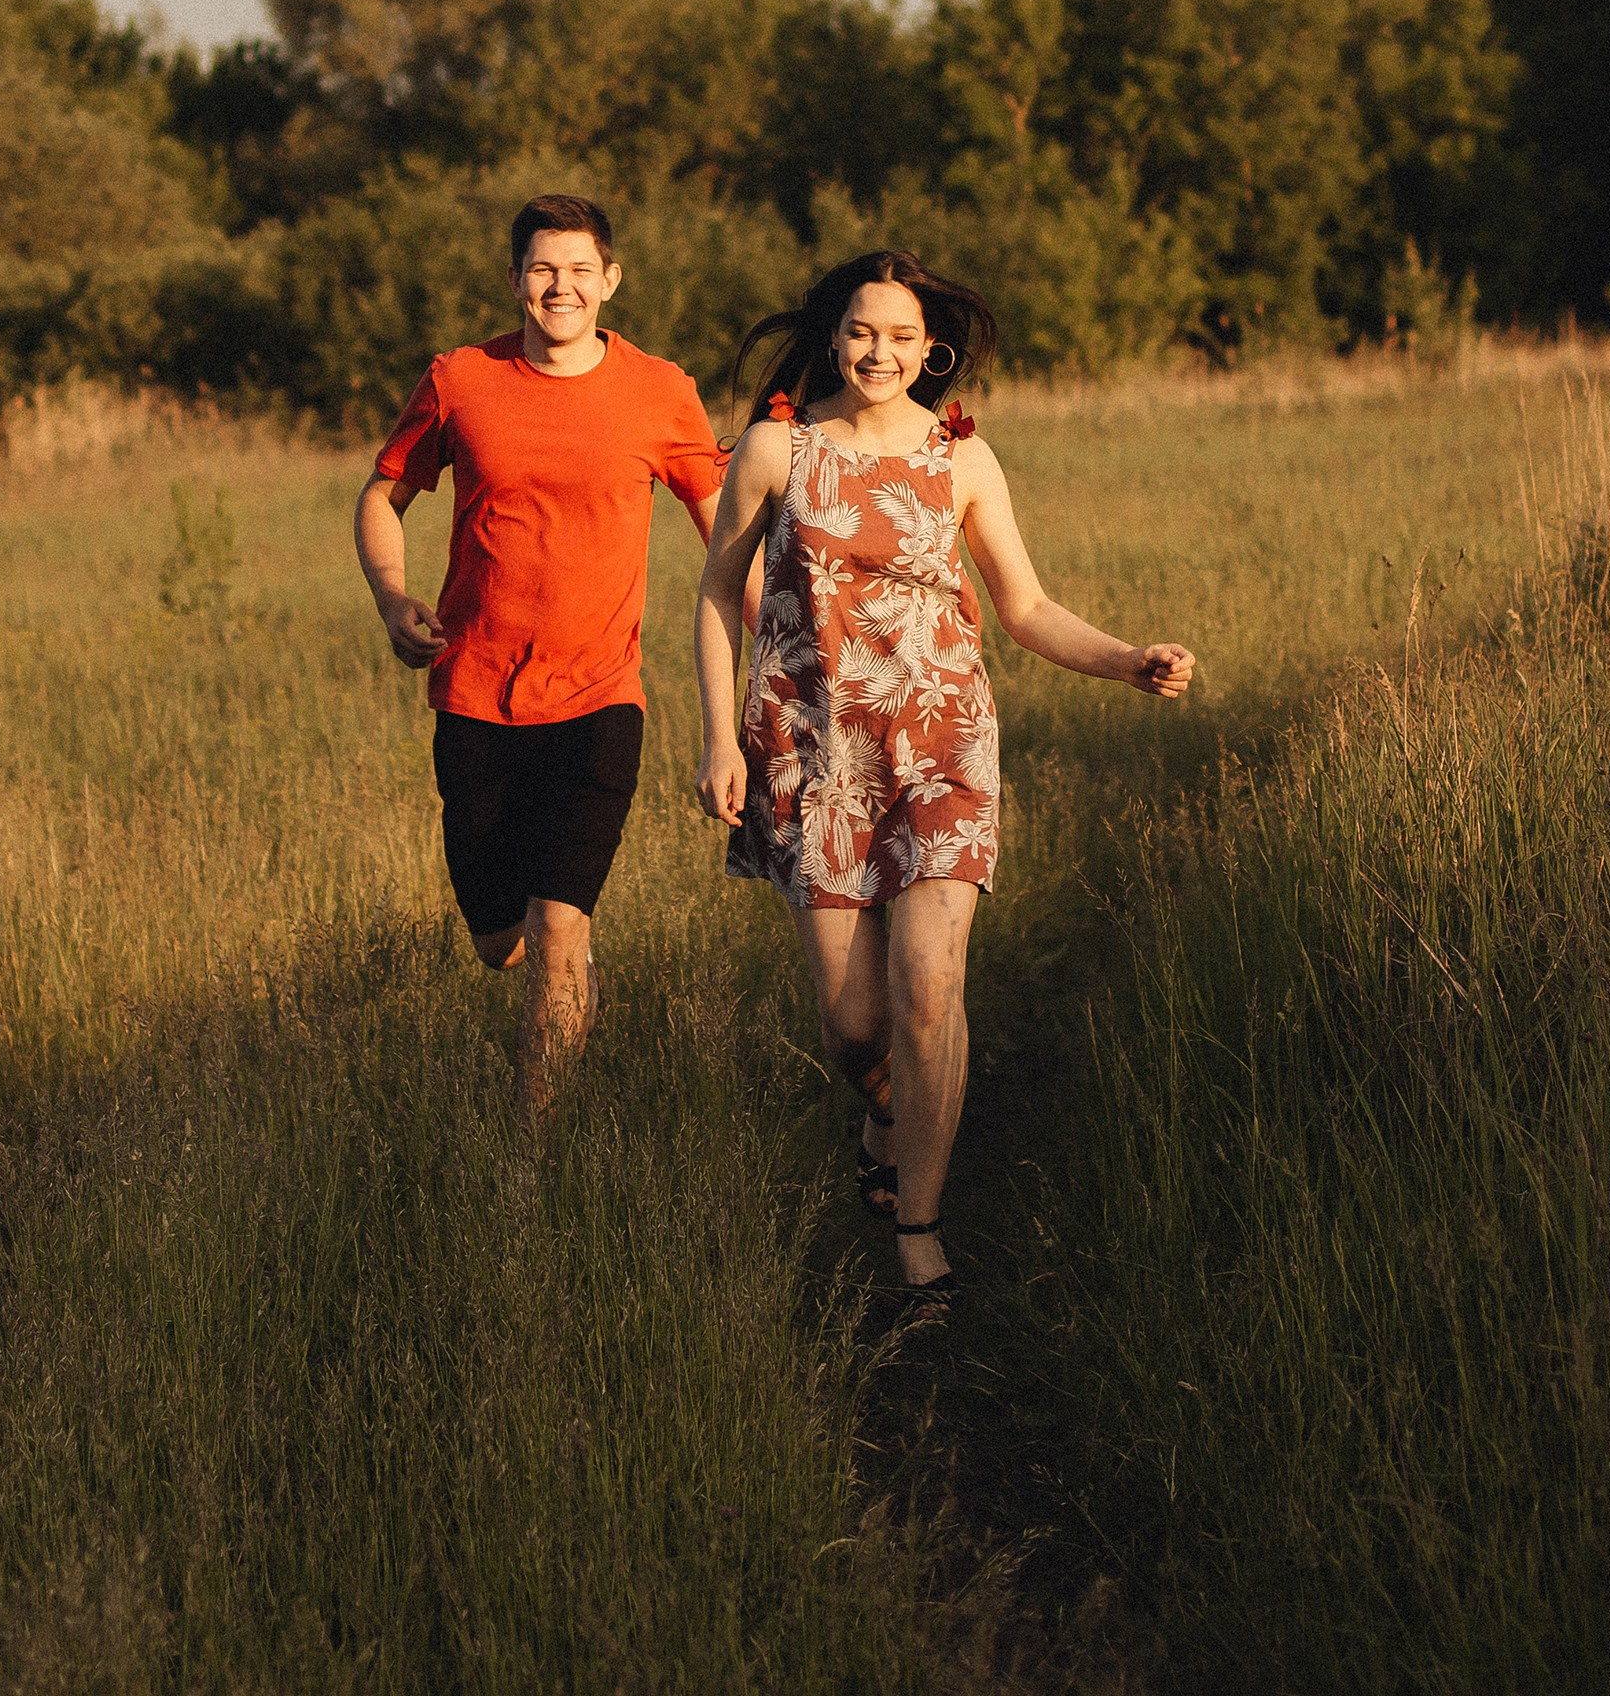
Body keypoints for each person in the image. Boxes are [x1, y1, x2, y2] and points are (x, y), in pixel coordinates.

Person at [694, 249, 1194, 1307]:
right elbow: (712, 595)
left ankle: (918, 1226)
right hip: (811, 751)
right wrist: (715, 738)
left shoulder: (962, 461)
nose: (879, 352)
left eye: (901, 336)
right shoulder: (778, 449)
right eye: (861, 332)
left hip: (940, 750)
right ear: (834, 336)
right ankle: (883, 1113)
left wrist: (1126, 658)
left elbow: (1024, 608)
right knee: (853, 1024)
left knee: (929, 994)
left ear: (933, 350)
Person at [356, 193, 735, 1128]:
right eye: (540, 269)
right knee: (500, 942)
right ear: (516, 278)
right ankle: (555, 973)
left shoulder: (659, 390)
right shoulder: (461, 379)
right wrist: (392, 596)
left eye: (577, 271)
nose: (558, 287)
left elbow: (727, 531)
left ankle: (531, 1157)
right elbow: (382, 494)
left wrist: (786, 640)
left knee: (561, 931)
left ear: (610, 280)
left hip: (602, 698)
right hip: (475, 694)